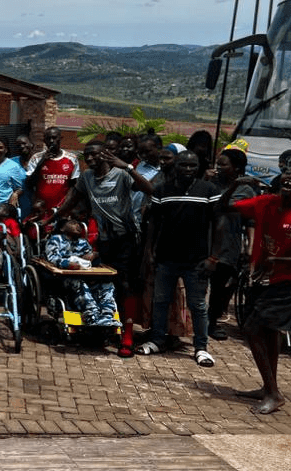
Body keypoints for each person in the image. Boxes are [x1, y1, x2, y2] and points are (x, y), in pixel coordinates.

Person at [221, 164, 291, 414]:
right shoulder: (266, 202)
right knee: (269, 334)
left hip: (286, 284)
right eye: (289, 173)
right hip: (261, 281)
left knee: (252, 328)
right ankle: (268, 386)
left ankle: (273, 393)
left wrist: (275, 261)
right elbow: (224, 208)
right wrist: (236, 185)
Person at [59, 140, 154, 358]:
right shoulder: (87, 178)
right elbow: (71, 201)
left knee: (125, 285)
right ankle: (107, 325)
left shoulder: (121, 174)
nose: (90, 159)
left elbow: (150, 189)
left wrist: (127, 167)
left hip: (127, 239)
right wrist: (52, 218)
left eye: (95, 154)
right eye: (87, 155)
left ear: (106, 154)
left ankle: (128, 335)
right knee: (103, 282)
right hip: (104, 240)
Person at [136, 151, 220, 364]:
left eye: (192, 166)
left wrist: (214, 257)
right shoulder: (162, 190)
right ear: (176, 166)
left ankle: (201, 347)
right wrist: (149, 252)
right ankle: (157, 339)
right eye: (184, 165)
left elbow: (219, 225)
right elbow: (154, 223)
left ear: (198, 167)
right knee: (161, 300)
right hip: (166, 257)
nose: (188, 169)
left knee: (198, 305)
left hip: (197, 260)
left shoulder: (208, 190)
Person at [205, 147, 255, 341]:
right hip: (206, 240)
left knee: (220, 288)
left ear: (236, 167)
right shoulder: (210, 183)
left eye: (223, 164)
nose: (218, 168)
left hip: (229, 243)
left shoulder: (247, 190)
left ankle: (212, 322)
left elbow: (250, 220)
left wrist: (249, 247)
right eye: (218, 164)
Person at [44, 219, 117, 327]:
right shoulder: (55, 240)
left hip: (86, 276)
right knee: (79, 283)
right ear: (62, 228)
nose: (77, 225)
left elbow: (90, 259)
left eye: (78, 223)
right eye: (73, 223)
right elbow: (52, 258)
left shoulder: (83, 242)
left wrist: (94, 256)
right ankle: (92, 316)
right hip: (64, 279)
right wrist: (67, 264)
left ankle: (107, 316)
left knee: (107, 285)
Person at [26, 127, 79, 220]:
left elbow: (73, 186)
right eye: (48, 138)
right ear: (44, 140)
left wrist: (66, 205)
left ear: (60, 138)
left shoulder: (71, 158)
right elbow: (29, 184)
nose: (51, 141)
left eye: (54, 138)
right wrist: (42, 162)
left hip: (63, 208)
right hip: (41, 208)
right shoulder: (36, 158)